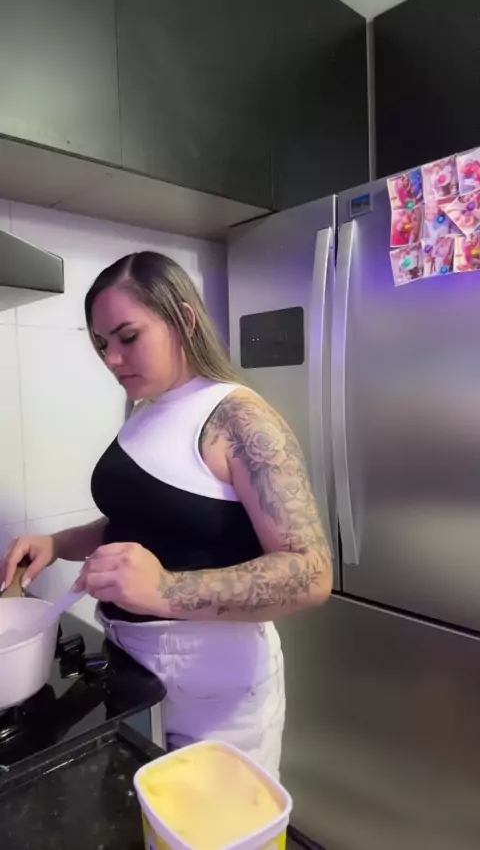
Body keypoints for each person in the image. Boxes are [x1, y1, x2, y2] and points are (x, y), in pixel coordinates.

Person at [0, 252, 332, 778]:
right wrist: (57, 544)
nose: (112, 359)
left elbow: (310, 572)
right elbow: (145, 521)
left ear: (183, 319)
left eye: (128, 337)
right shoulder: (144, 410)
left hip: (218, 689)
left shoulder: (239, 418)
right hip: (134, 665)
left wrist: (164, 590)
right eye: (101, 344)